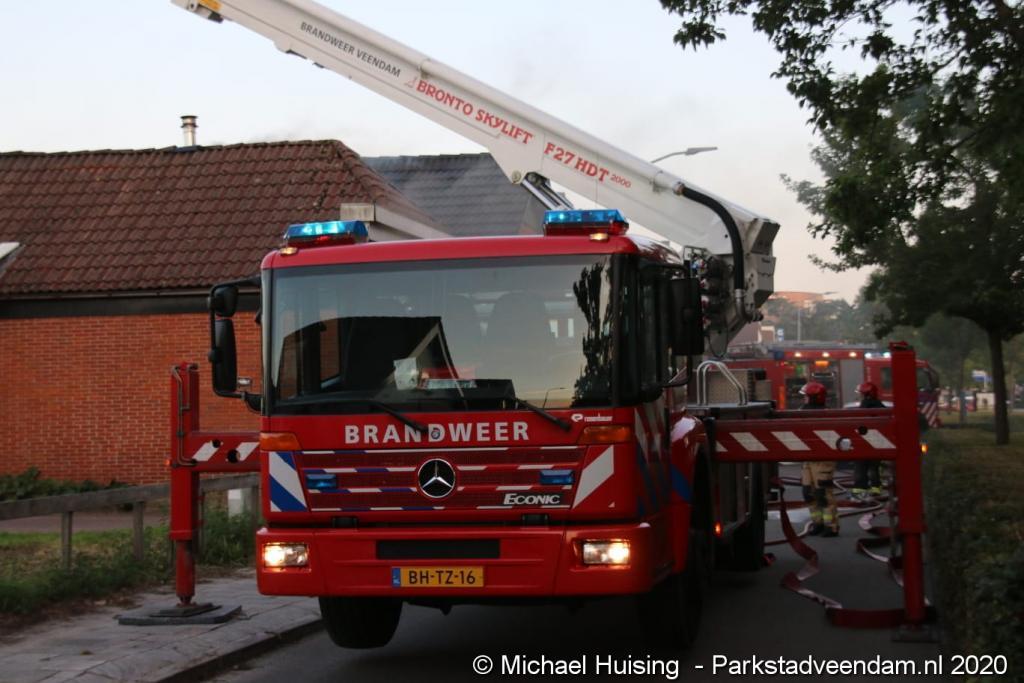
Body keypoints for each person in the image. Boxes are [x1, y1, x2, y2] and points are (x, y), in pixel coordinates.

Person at [799, 381, 839, 537]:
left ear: (814, 398)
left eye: (806, 397)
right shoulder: (802, 412)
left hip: (823, 459)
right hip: (808, 459)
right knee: (808, 492)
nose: (803, 399)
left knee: (823, 493)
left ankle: (831, 526)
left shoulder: (826, 414)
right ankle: (818, 522)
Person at [851, 382, 885, 499]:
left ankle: (860, 491)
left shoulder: (864, 407)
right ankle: (876, 489)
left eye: (861, 394)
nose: (859, 396)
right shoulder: (881, 407)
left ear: (867, 395)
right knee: (875, 468)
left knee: (861, 467)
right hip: (878, 445)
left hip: (863, 445)